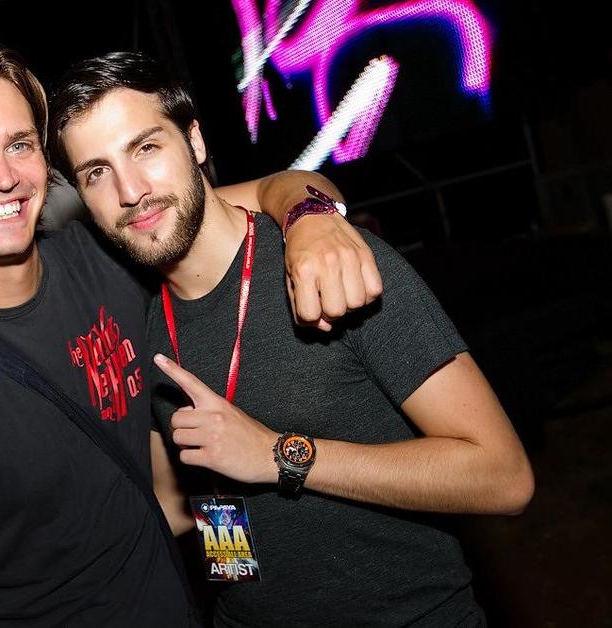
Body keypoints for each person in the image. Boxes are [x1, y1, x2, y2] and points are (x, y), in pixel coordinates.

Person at [0, 30, 382, 627]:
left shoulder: (106, 258)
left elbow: (276, 190)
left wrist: (311, 221)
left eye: (18, 144)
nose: (2, 176)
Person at [49, 52, 535, 627]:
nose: (130, 191)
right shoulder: (147, 319)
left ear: (194, 142)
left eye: (146, 147)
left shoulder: (326, 264)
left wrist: (280, 456)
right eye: (97, 172)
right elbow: (176, 503)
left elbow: (503, 477)